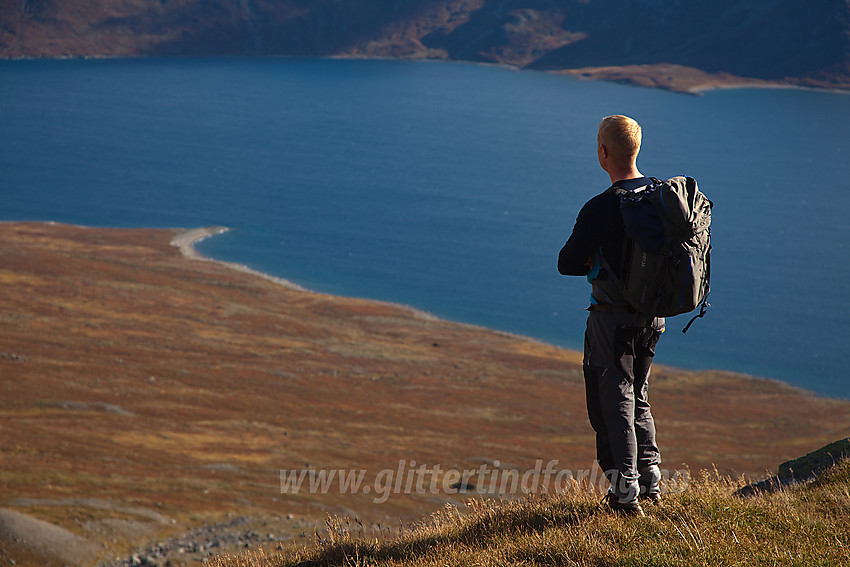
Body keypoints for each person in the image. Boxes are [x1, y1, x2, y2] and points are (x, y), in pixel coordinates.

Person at [558, 115, 664, 517]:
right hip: (653, 317)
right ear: (637, 149)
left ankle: (624, 495)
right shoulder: (660, 198)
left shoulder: (602, 207)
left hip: (611, 319)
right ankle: (651, 483)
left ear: (604, 153)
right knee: (638, 395)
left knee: (612, 400)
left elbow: (567, 262)